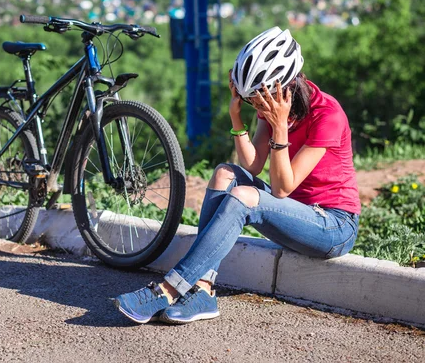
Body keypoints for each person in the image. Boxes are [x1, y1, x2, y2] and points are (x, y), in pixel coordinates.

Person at [113, 26, 361, 325]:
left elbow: (282, 188)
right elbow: (252, 165)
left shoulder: (327, 115)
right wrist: (236, 115)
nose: (257, 107)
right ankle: (203, 289)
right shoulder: (274, 107)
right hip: (296, 213)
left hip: (332, 226)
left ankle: (166, 290)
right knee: (224, 174)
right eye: (251, 102)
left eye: (259, 100)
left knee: (245, 197)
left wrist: (279, 128)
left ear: (287, 86)